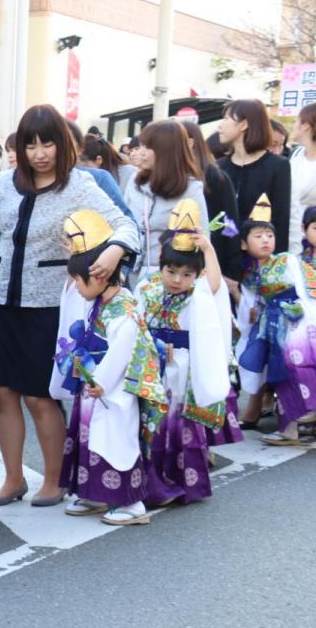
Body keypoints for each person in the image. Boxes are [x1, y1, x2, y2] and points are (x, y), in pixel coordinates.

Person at [0, 104, 138, 507]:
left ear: (62, 144)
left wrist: (114, 251)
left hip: (48, 307)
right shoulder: (1, 183)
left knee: (39, 396)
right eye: (31, 144)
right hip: (0, 303)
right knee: (2, 393)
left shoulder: (78, 185)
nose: (40, 152)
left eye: (48, 143)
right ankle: (13, 479)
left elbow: (126, 225)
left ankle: (54, 479)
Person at [51, 210, 167, 526]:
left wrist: (100, 380)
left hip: (114, 389)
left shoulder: (123, 309)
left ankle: (131, 504)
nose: (74, 286)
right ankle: (95, 493)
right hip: (96, 388)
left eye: (77, 279)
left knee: (116, 443)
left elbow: (121, 349)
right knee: (92, 440)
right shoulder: (104, 301)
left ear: (100, 277)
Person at [134, 200, 232, 507]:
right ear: (160, 266)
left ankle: (183, 483)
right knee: (148, 425)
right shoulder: (147, 286)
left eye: (187, 274)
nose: (178, 279)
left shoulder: (198, 294)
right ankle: (152, 484)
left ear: (197, 275)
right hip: (151, 364)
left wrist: (209, 250)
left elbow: (214, 285)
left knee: (180, 427)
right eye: (171, 271)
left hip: (182, 368)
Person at [234, 195, 316, 443]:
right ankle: (290, 428)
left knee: (297, 363)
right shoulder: (247, 273)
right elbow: (249, 304)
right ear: (244, 244)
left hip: (297, 320)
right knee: (280, 374)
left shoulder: (288, 260)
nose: (266, 240)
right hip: (271, 327)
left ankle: (309, 410)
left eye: (269, 235)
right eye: (258, 236)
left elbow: (308, 288)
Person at [122, 120, 209, 282]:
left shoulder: (190, 188)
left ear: (166, 151)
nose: (141, 152)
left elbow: (202, 239)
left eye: (148, 147)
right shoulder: (134, 180)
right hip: (131, 273)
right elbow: (124, 221)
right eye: (141, 146)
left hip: (170, 277)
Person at [217, 99, 291, 250]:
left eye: (226, 119)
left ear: (243, 124)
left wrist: (277, 263)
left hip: (260, 260)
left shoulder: (278, 165)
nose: (220, 125)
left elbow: (280, 220)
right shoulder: (219, 166)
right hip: (223, 257)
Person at [181, 120, 242, 283]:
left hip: (211, 263)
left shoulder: (215, 176)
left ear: (190, 143)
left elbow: (230, 225)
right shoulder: (170, 178)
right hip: (178, 266)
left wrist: (231, 271)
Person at [66, 120, 134, 220]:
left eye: (84, 167)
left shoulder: (103, 177)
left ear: (99, 160)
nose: (81, 171)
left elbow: (124, 217)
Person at [288, 103, 316, 255]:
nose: (294, 125)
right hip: (289, 238)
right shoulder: (296, 156)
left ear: (306, 125)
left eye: (297, 121)